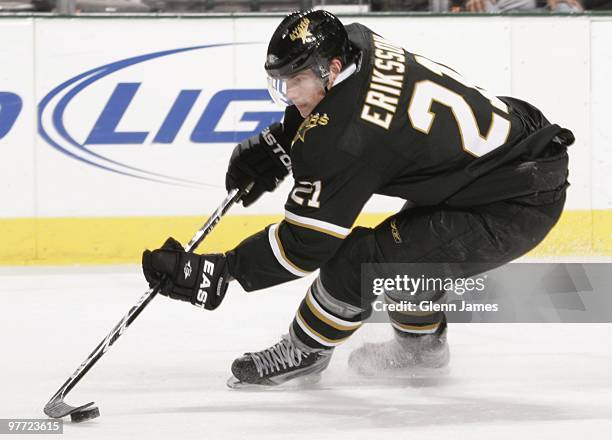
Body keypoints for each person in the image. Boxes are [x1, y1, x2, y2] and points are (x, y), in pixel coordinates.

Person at [141, 9, 573, 388]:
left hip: (510, 202)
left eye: (297, 79)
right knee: (408, 262)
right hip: (502, 160)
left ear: (331, 67)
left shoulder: (342, 138)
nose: (290, 93)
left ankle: (303, 352)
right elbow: (348, 105)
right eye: (283, 81)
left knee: (359, 263)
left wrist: (223, 270)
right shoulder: (358, 41)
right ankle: (421, 352)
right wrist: (280, 142)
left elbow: (305, 246)